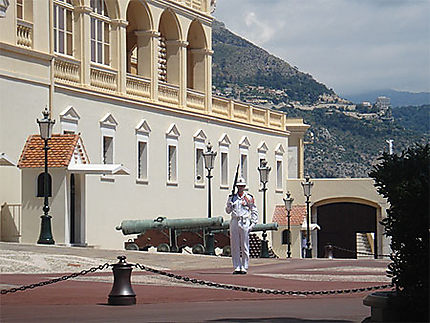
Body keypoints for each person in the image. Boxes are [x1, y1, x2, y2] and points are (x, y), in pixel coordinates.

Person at [225, 177, 258, 274]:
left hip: (244, 221)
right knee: (234, 245)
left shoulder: (248, 198)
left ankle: (244, 265)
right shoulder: (232, 197)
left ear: (244, 187)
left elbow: (254, 210)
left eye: (242, 186)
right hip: (235, 220)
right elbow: (227, 211)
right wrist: (229, 205)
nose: (240, 188)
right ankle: (237, 266)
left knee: (244, 245)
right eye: (238, 186)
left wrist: (253, 223)